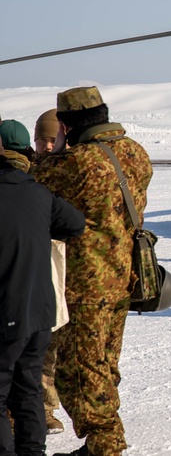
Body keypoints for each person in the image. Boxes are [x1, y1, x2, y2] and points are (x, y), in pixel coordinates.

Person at [32, 86, 154, 456]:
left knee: (80, 372)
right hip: (123, 276)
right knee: (103, 363)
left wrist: (46, 156)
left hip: (87, 284)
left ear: (67, 126)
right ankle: (104, 440)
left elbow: (34, 190)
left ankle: (105, 444)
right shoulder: (135, 152)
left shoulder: (80, 163)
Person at [0, 140, 85, 456]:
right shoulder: (37, 192)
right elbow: (75, 223)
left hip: (7, 311)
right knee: (28, 390)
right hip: (40, 312)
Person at [30, 108, 68, 435]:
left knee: (56, 348)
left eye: (50, 139)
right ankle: (43, 409)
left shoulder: (72, 170)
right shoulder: (26, 170)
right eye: (39, 140)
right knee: (42, 345)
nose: (44, 146)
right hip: (36, 267)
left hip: (66, 267)